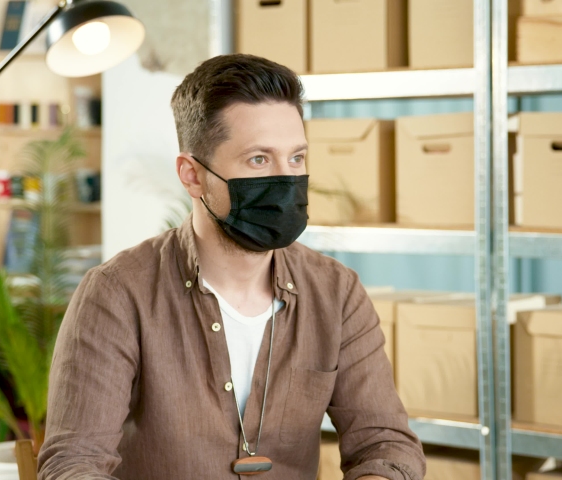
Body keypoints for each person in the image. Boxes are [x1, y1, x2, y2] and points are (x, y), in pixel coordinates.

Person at [37, 54, 426, 480]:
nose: (285, 179)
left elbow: (385, 444)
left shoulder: (336, 292)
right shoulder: (117, 294)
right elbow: (74, 463)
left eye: (296, 159)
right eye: (258, 160)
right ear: (192, 176)